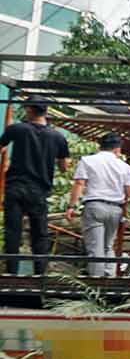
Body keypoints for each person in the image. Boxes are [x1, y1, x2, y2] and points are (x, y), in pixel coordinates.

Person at [1, 97, 70, 274]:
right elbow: (64, 167)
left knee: (12, 232)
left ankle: (11, 273)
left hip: (15, 186)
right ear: (46, 111)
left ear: (29, 110)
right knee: (40, 234)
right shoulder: (58, 137)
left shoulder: (17, 129)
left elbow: (1, 146)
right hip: (39, 190)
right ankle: (40, 274)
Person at [65, 133, 130, 277]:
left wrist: (71, 206)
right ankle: (110, 281)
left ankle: (97, 285)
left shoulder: (87, 160)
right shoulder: (124, 167)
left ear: (100, 146)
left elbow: (80, 183)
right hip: (115, 209)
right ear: (117, 149)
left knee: (95, 249)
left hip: (95, 206)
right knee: (108, 246)